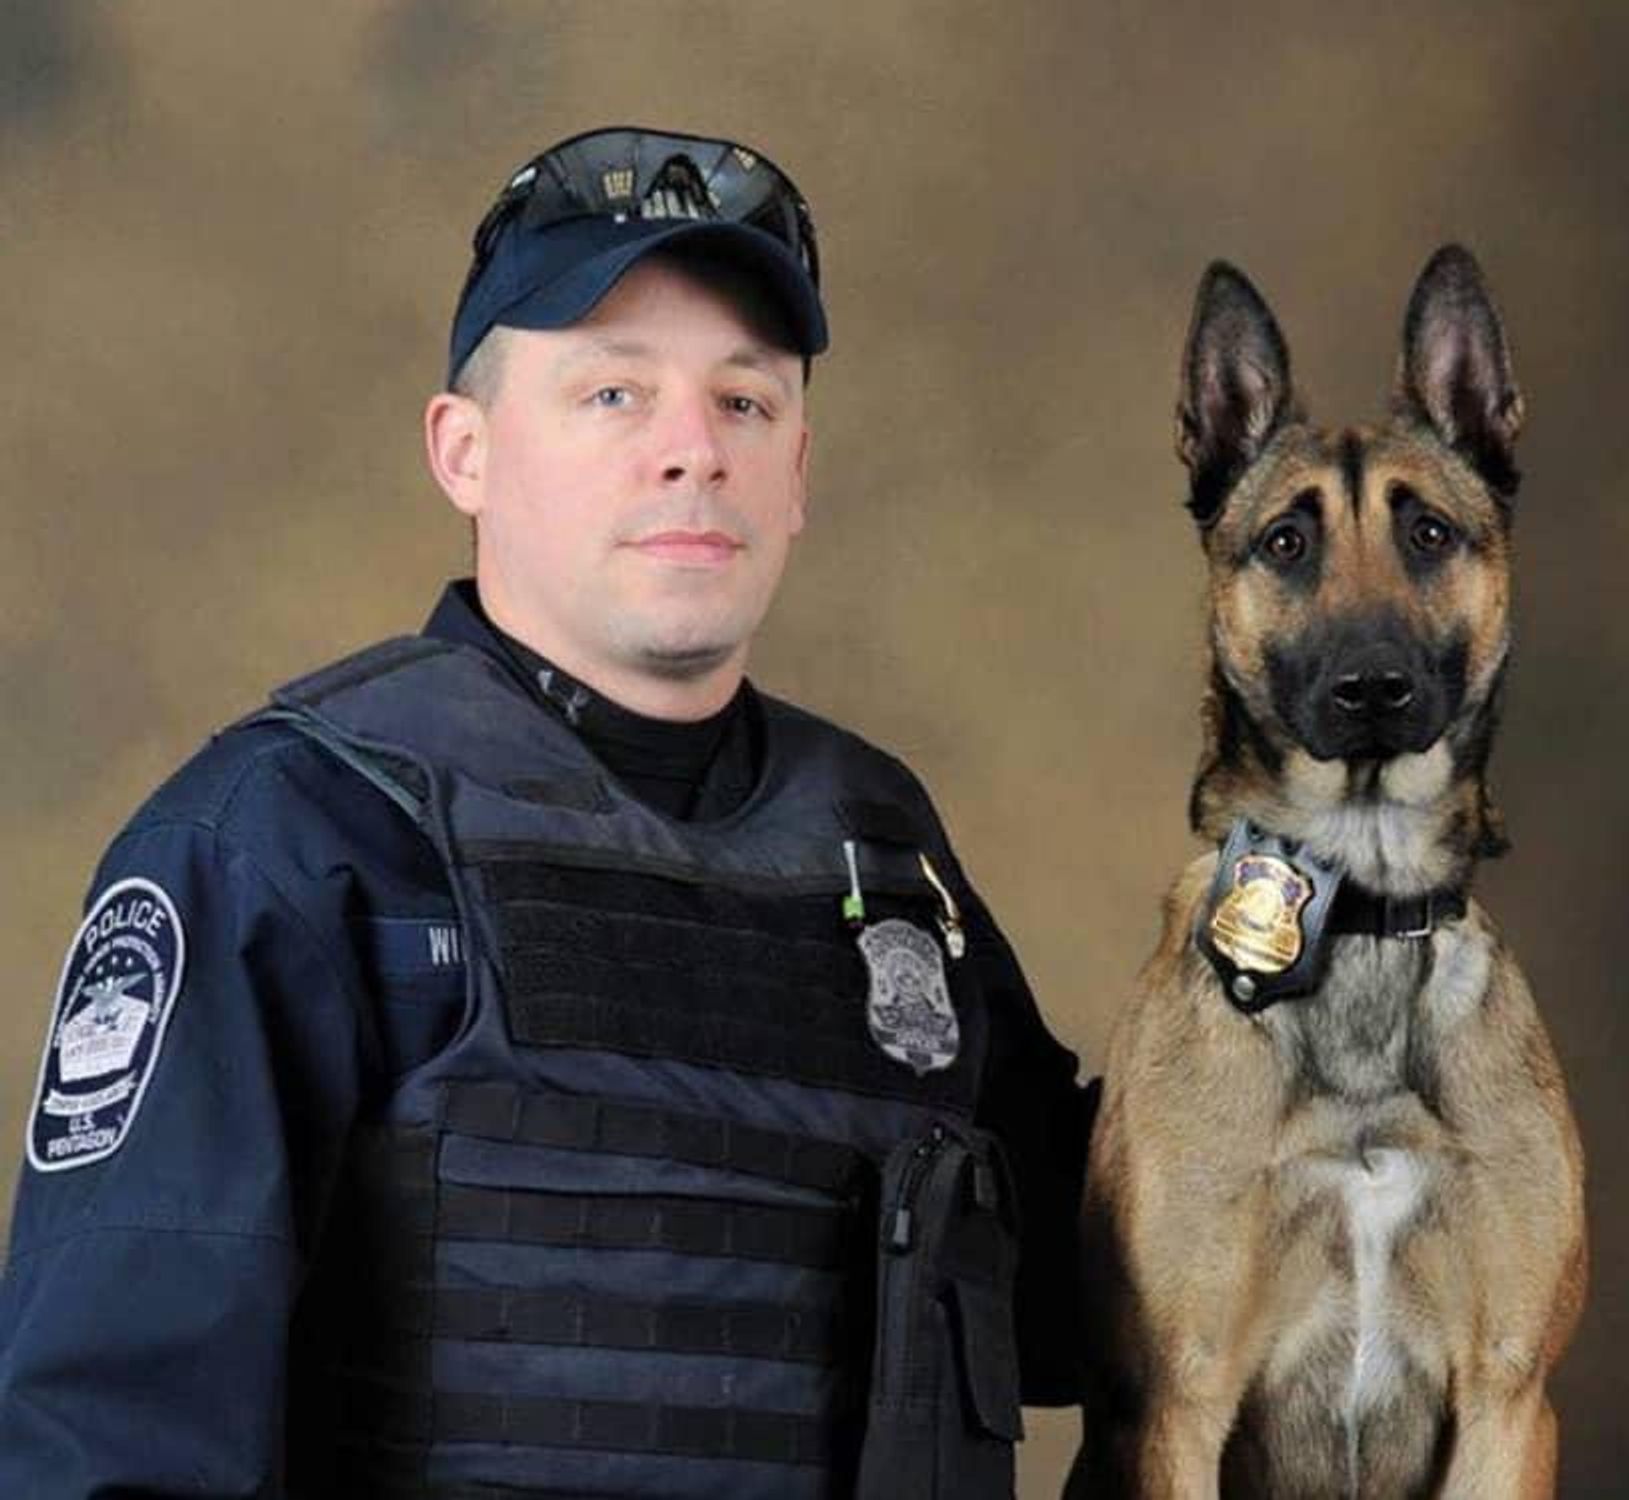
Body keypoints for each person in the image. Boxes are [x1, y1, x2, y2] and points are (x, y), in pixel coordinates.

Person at [0, 126, 1096, 1499]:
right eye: (613, 395)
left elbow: (1117, 1306)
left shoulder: (884, 855)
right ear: (464, 451)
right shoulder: (288, 838)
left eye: (745, 404)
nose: (692, 453)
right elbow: (111, 1447)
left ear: (801, 469)